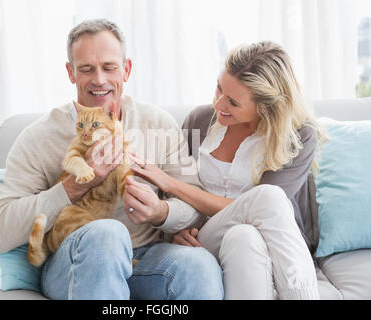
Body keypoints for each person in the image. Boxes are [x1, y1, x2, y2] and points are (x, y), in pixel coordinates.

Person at [0, 19, 223, 300]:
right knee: (107, 234)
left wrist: (161, 212)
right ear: (70, 73)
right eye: (86, 69)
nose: (99, 79)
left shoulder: (159, 123)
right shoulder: (39, 137)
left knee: (200, 263)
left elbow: (195, 206)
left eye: (109, 67)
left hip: (146, 260)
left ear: (126, 69)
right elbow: (0, 230)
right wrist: (73, 186)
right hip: (74, 262)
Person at [129, 41, 326, 300]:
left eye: (233, 102)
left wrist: (170, 183)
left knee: (246, 230)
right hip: (204, 237)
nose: (218, 103)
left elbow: (264, 215)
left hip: (265, 245)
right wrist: (178, 229)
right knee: (266, 198)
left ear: (265, 107)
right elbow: (175, 203)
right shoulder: (200, 120)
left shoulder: (299, 135)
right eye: (219, 88)